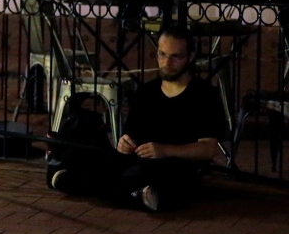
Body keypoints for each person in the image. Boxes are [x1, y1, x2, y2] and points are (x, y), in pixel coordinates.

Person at [48, 26, 227, 211]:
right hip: (137, 161)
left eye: (175, 57)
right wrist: (124, 142)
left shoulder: (204, 95)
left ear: (189, 57)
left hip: (174, 164)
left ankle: (86, 185)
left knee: (150, 173)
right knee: (81, 156)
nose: (167, 62)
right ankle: (137, 195)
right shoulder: (146, 92)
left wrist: (164, 150)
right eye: (162, 54)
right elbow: (131, 135)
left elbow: (208, 149)